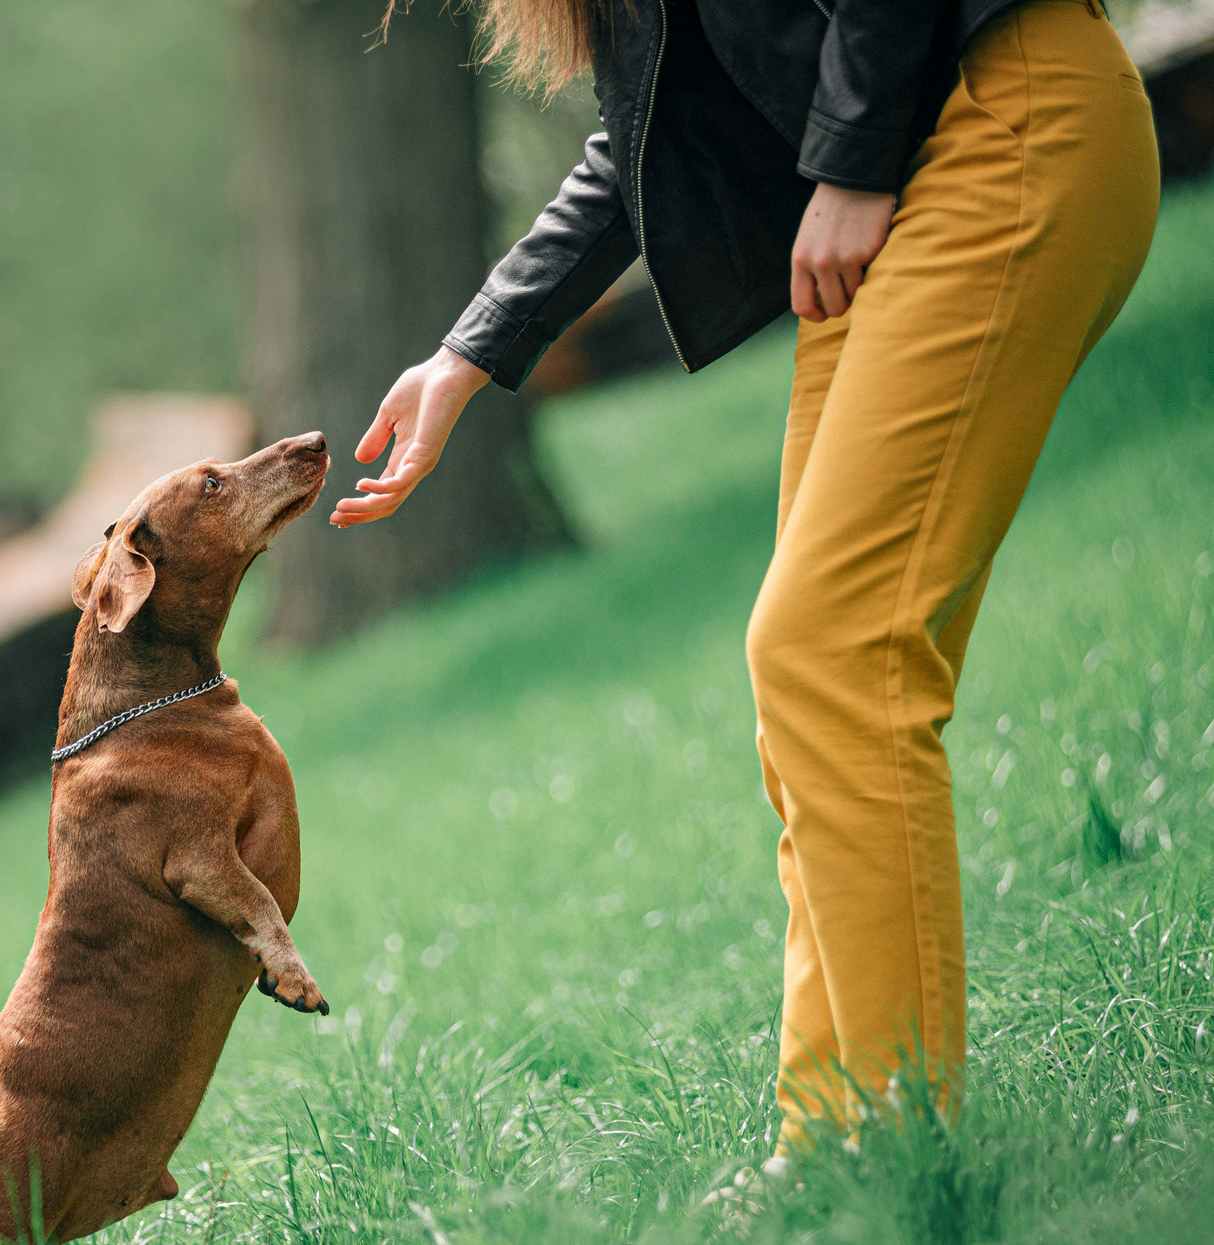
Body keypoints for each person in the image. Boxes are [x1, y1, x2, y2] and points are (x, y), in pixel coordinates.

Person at [346, 0, 1159, 1159]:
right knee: (813, 699)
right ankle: (831, 1137)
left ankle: (893, 1139)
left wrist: (852, 160)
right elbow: (638, 132)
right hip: (895, 184)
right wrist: (469, 353)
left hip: (993, 120)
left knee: (829, 651)